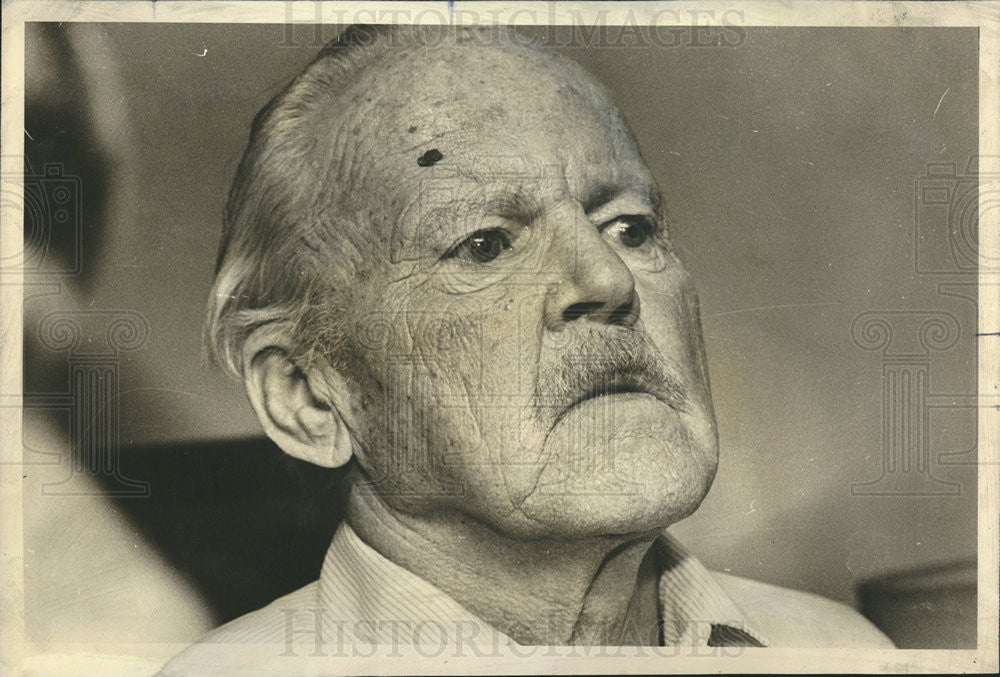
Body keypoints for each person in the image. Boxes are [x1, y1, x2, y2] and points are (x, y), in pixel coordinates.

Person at [162, 24, 892, 673]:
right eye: (485, 245)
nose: (608, 279)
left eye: (630, 228)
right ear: (309, 396)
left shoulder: (847, 651)